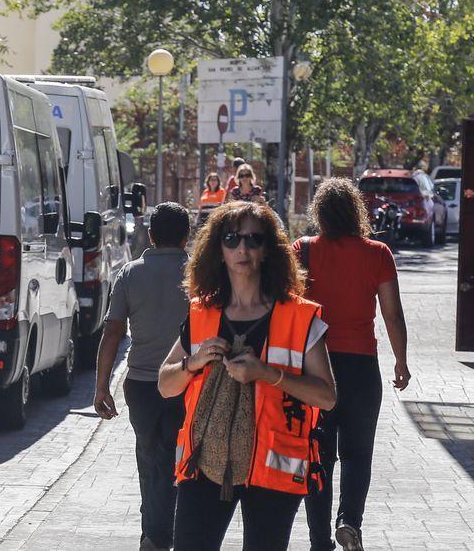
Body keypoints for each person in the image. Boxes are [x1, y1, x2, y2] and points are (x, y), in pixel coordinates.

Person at [158, 201, 337, 551]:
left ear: (269, 249)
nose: (243, 248)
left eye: (255, 239)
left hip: (272, 470)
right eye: (232, 239)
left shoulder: (299, 317)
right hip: (204, 464)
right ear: (218, 249)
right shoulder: (201, 312)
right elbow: (165, 385)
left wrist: (268, 374)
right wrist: (191, 364)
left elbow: (327, 396)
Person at [298, 178, 410, 551]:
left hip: (316, 368)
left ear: (319, 213)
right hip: (362, 367)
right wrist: (401, 362)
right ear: (356, 211)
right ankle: (349, 523)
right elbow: (392, 315)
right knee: (358, 454)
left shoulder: (304, 251)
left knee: (319, 456)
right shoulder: (378, 253)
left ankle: (319, 540)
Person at [94, 203, 192, 551]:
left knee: (151, 459)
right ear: (187, 235)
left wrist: (102, 386)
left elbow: (112, 333)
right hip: (187, 383)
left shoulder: (130, 274)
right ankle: (166, 533)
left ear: (151, 234)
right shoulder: (198, 275)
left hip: (141, 386)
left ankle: (153, 535)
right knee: (180, 460)